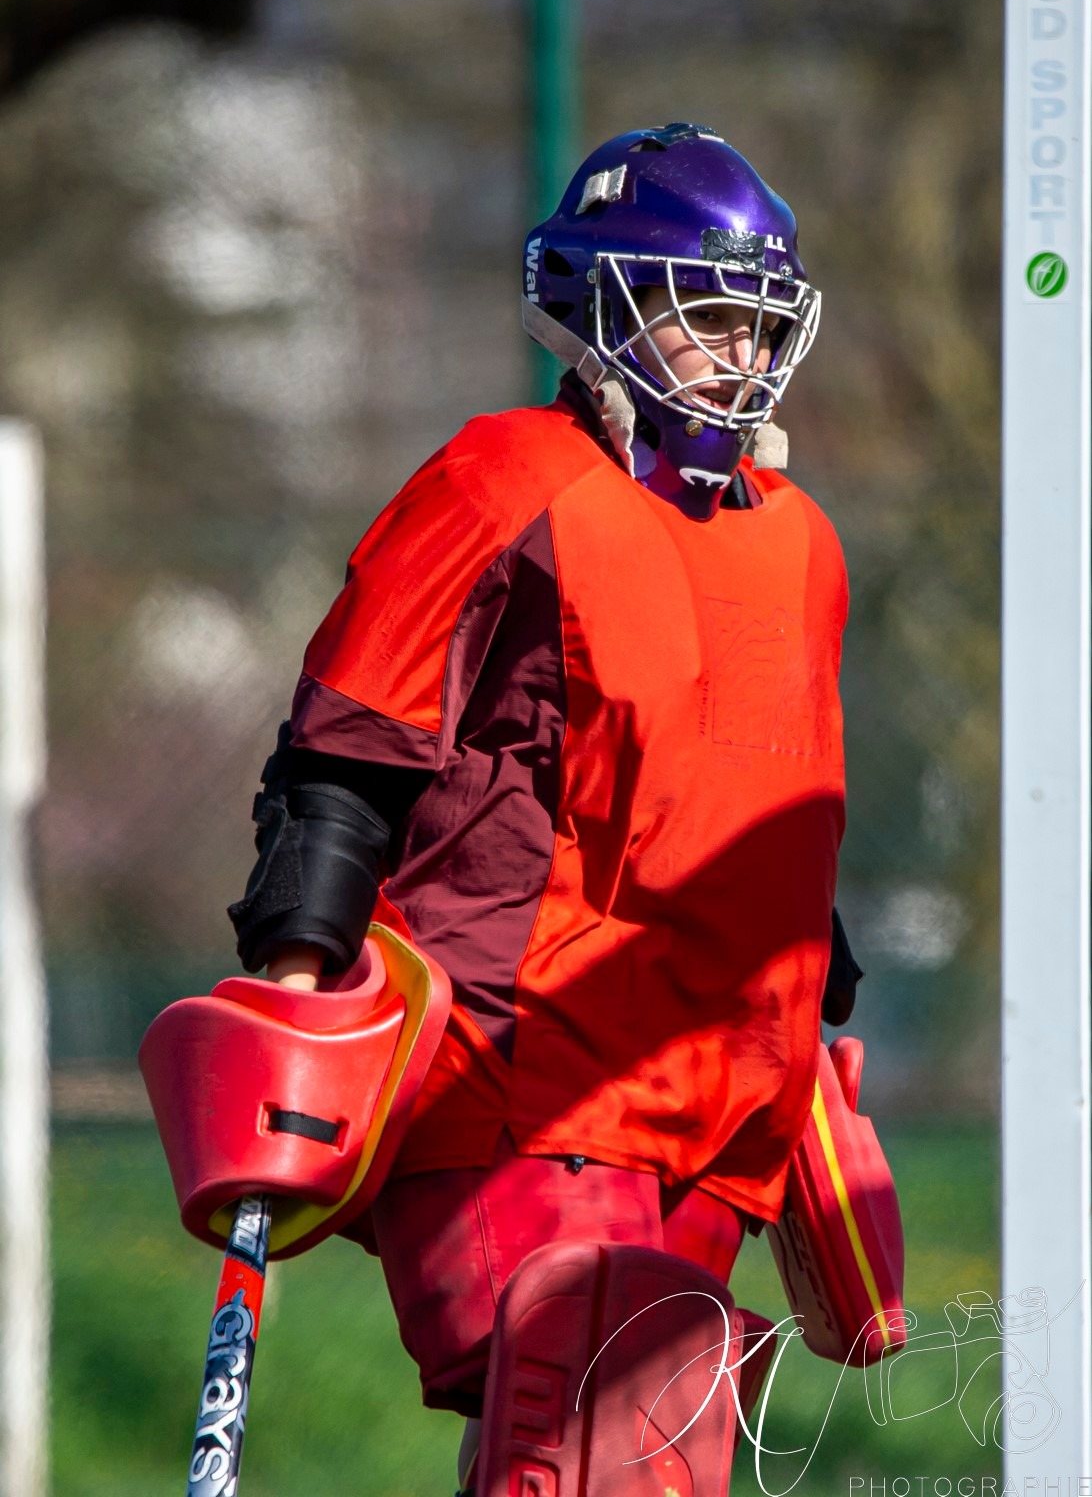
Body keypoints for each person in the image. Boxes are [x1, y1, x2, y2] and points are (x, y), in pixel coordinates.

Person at [227, 122, 862, 1493]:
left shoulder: (800, 543)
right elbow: (349, 751)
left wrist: (816, 1023)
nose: (743, 356)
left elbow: (774, 796)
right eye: (710, 318)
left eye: (763, 327)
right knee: (582, 1428)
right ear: (603, 305)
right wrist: (295, 974)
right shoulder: (503, 482)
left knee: (628, 1453)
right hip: (526, 1072)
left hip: (716, 1110)